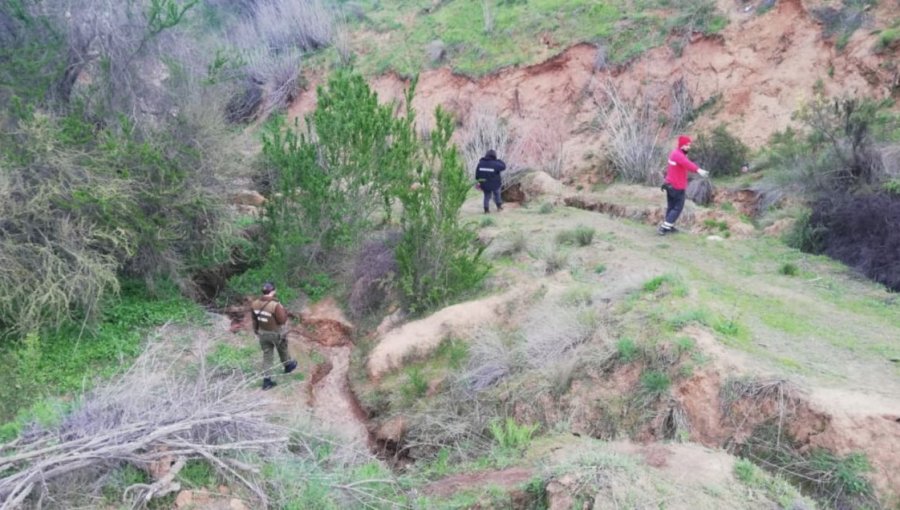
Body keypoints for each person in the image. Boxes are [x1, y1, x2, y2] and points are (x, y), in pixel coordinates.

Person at [250, 282, 297, 390]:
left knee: (267, 356)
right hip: (275, 333)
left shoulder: (255, 303)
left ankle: (267, 381)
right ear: (273, 291)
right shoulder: (275, 305)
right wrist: (284, 311)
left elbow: (254, 319)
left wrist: (256, 330)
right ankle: (288, 366)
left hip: (262, 333)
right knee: (283, 349)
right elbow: (282, 320)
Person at [658, 135, 708, 235]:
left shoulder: (676, 153)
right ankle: (664, 227)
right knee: (678, 208)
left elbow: (685, 164)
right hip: (676, 186)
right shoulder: (679, 155)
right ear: (682, 145)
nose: (689, 147)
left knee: (671, 207)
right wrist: (698, 170)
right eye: (687, 145)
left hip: (670, 184)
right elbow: (687, 163)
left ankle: (669, 226)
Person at [475, 149, 507, 214]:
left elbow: (477, 174)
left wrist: (479, 182)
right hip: (495, 184)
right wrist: (498, 160)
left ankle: (486, 210)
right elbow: (504, 166)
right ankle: (499, 207)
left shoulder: (481, 163)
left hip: (484, 184)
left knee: (487, 196)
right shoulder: (495, 163)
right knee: (497, 194)